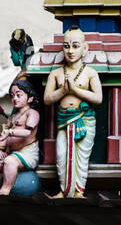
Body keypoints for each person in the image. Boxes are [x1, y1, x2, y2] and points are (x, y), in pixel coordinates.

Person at [43, 28, 103, 198]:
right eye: (66, 46)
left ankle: (78, 191)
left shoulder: (90, 73)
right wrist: (63, 90)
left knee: (81, 157)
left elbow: (98, 98)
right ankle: (64, 190)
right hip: (64, 120)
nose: (70, 51)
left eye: (76, 46)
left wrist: (75, 90)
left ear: (85, 48)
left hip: (83, 121)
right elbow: (47, 99)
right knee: (62, 155)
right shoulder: (56, 73)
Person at [0, 79, 41, 195]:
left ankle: (5, 191)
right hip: (13, 154)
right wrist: (0, 150)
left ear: (30, 98)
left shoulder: (32, 113)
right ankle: (10, 170)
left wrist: (10, 132)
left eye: (19, 95)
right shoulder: (12, 117)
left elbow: (27, 132)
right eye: (12, 96)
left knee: (9, 161)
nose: (15, 98)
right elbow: (4, 135)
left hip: (27, 153)